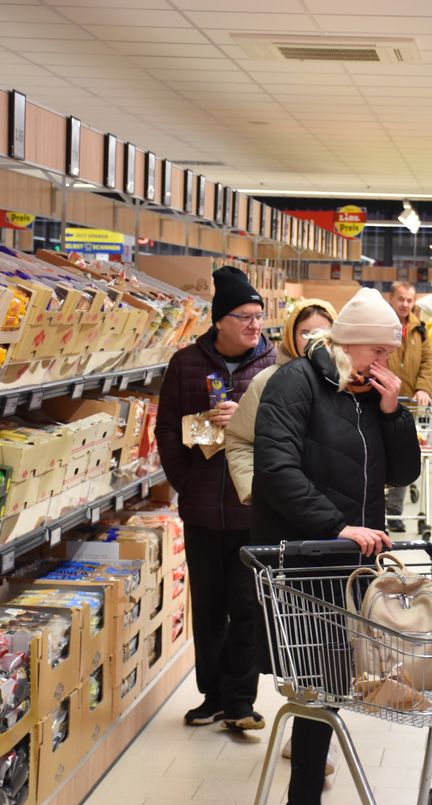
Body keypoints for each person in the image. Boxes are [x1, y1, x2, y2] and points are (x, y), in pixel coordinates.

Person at [251, 286, 421, 805]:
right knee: (321, 683)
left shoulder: (368, 392)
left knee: (328, 685)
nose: (386, 365)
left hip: (350, 563)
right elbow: (276, 468)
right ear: (350, 344)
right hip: (303, 556)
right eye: (380, 352)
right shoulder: (295, 382)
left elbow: (404, 473)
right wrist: (337, 525)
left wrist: (395, 412)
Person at [155, 265, 276, 729]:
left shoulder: (272, 367)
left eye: (258, 316)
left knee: (246, 608)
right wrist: (187, 481)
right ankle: (212, 696)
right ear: (220, 319)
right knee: (207, 608)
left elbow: (287, 437)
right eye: (244, 316)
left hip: (253, 511)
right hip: (203, 509)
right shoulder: (185, 364)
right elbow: (167, 430)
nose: (254, 324)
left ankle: (241, 701)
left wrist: (245, 422)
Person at [224, 298, 336, 505]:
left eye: (323, 332)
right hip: (281, 506)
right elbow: (240, 439)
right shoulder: (266, 381)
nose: (314, 340)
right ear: (291, 336)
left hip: (336, 505)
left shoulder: (348, 383)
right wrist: (254, 491)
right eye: (305, 333)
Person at [385, 281, 432, 532]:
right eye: (401, 299)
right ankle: (375, 509)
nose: (405, 304)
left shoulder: (419, 330)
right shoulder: (380, 325)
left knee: (402, 455)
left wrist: (424, 388)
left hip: (407, 407)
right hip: (379, 402)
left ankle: (394, 511)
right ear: (391, 298)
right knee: (378, 456)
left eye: (409, 300)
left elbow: (428, 362)